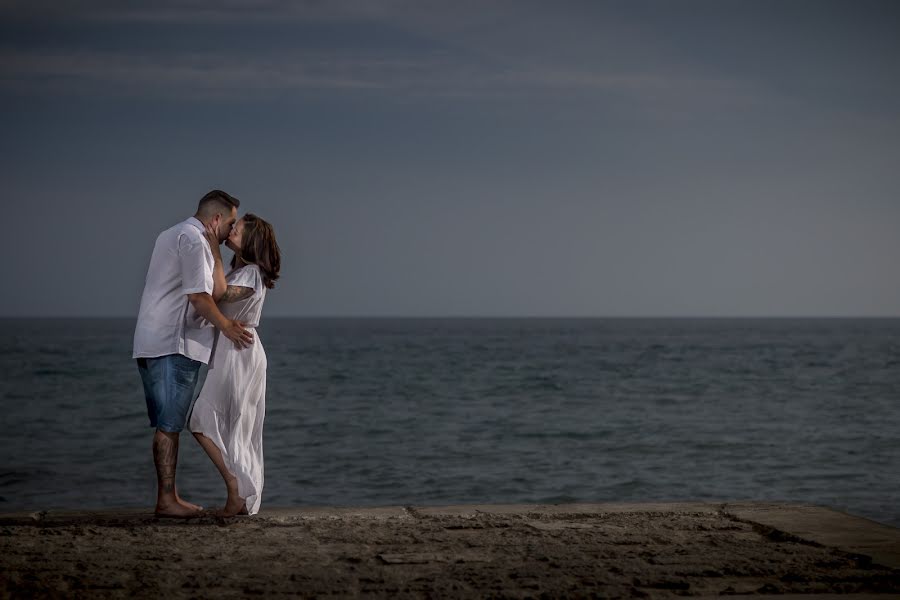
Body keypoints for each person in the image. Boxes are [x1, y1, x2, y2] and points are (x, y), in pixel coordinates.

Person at [133, 190, 254, 518]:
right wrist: (227, 325)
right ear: (216, 219)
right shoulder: (194, 240)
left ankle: (168, 497)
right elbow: (200, 297)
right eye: (230, 223)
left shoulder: (172, 233)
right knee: (169, 424)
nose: (231, 231)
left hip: (153, 340)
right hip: (176, 342)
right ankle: (167, 501)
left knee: (166, 424)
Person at [189, 213, 281, 516]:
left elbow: (217, 294)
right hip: (233, 350)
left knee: (202, 421)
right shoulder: (239, 270)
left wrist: (213, 246)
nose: (230, 233)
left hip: (241, 353)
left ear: (251, 241)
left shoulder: (252, 272)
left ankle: (236, 491)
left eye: (237, 231)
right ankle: (239, 491)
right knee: (233, 427)